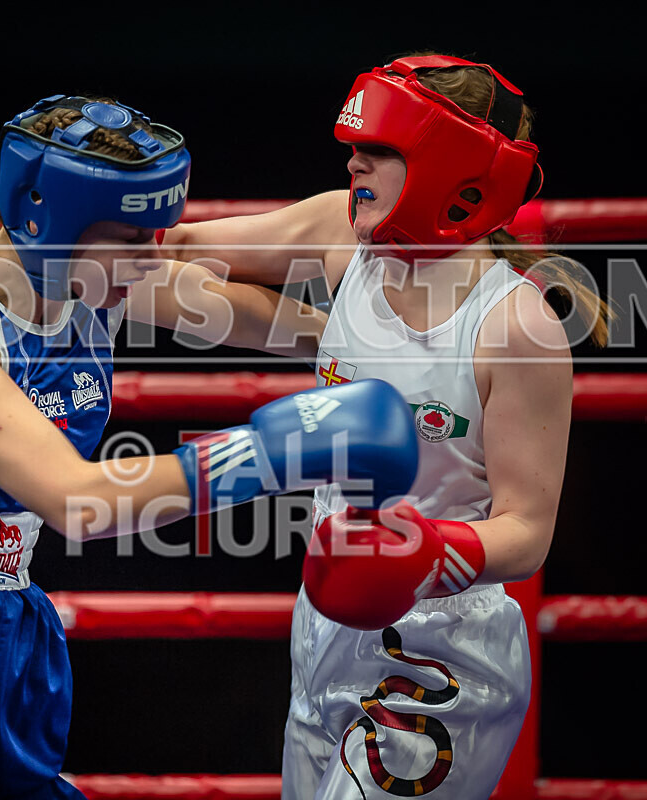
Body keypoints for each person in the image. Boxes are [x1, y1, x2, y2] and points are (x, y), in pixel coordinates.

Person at [0, 95, 420, 799]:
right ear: (46, 219)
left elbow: (279, 324)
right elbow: (76, 500)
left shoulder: (89, 282)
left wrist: (392, 356)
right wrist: (283, 449)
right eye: (132, 238)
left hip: (8, 614)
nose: (155, 259)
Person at [162, 55, 609, 799]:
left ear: (453, 169)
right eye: (355, 146)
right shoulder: (341, 234)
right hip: (325, 626)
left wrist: (422, 552)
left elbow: (527, 531)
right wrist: (62, 238)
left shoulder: (515, 325)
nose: (353, 163)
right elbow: (179, 256)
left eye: (379, 150)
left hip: (442, 654)